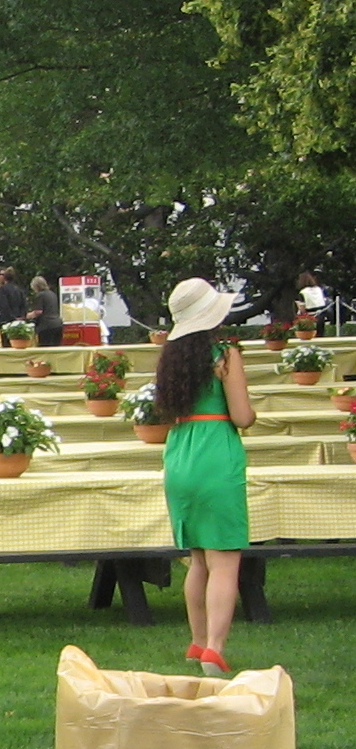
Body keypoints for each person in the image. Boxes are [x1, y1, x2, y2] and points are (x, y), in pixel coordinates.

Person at [154, 278, 255, 677]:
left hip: (180, 455)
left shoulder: (171, 358)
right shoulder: (225, 354)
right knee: (225, 561)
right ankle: (215, 649)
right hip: (216, 453)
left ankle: (197, 642)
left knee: (198, 558)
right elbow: (242, 415)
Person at [0, 267, 29, 342]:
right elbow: (24, 305)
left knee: (6, 343)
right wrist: (22, 317)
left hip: (6, 322)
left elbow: (3, 306)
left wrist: (11, 318)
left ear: (5, 278)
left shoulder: (2, 290)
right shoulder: (19, 290)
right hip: (19, 321)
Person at [26, 275, 64, 347]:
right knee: (56, 348)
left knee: (45, 348)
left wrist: (27, 316)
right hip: (58, 324)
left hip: (46, 326)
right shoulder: (52, 294)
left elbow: (38, 312)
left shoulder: (40, 295)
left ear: (36, 286)